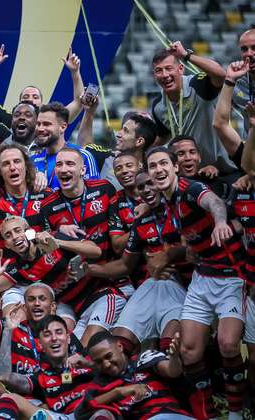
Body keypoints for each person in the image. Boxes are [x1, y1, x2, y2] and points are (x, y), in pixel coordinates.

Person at [146, 146, 246, 419]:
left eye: (163, 163)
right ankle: (211, 414)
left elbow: (213, 202)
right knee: (189, 353)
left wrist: (220, 222)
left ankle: (237, 413)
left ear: (175, 167)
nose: (159, 170)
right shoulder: (165, 202)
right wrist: (190, 249)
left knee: (227, 344)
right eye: (153, 166)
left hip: (232, 278)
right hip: (202, 280)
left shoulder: (190, 189)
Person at [87, 171, 187, 356]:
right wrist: (89, 270)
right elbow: (125, 264)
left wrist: (168, 255)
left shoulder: (181, 207)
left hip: (184, 285)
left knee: (171, 344)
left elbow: (195, 248)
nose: (147, 189)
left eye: (151, 183)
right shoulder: (139, 221)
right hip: (152, 284)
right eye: (141, 187)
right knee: (119, 343)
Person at [41, 148, 126, 345]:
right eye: (59, 164)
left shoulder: (104, 189)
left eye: (70, 164)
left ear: (82, 170)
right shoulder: (48, 206)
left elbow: (108, 241)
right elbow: (45, 245)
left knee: (93, 341)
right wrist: (56, 232)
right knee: (67, 343)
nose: (63, 169)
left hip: (106, 282)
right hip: (70, 291)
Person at [150, 45, 236, 173]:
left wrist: (186, 55)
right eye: (158, 70)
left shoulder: (197, 85)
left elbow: (221, 75)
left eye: (168, 68)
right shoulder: (158, 106)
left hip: (225, 169)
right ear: (154, 75)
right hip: (191, 174)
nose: (164, 75)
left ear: (181, 69)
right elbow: (163, 135)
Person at [86, 331, 194, 420]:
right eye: (99, 362)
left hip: (173, 415)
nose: (106, 364)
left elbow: (172, 371)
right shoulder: (98, 381)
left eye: (109, 356)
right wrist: (118, 392)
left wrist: (174, 357)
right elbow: (84, 407)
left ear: (119, 346)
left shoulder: (143, 358)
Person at [32, 102, 99, 189]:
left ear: (63, 127)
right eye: (38, 124)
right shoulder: (32, 161)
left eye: (46, 124)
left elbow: (95, 194)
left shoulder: (83, 156)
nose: (40, 128)